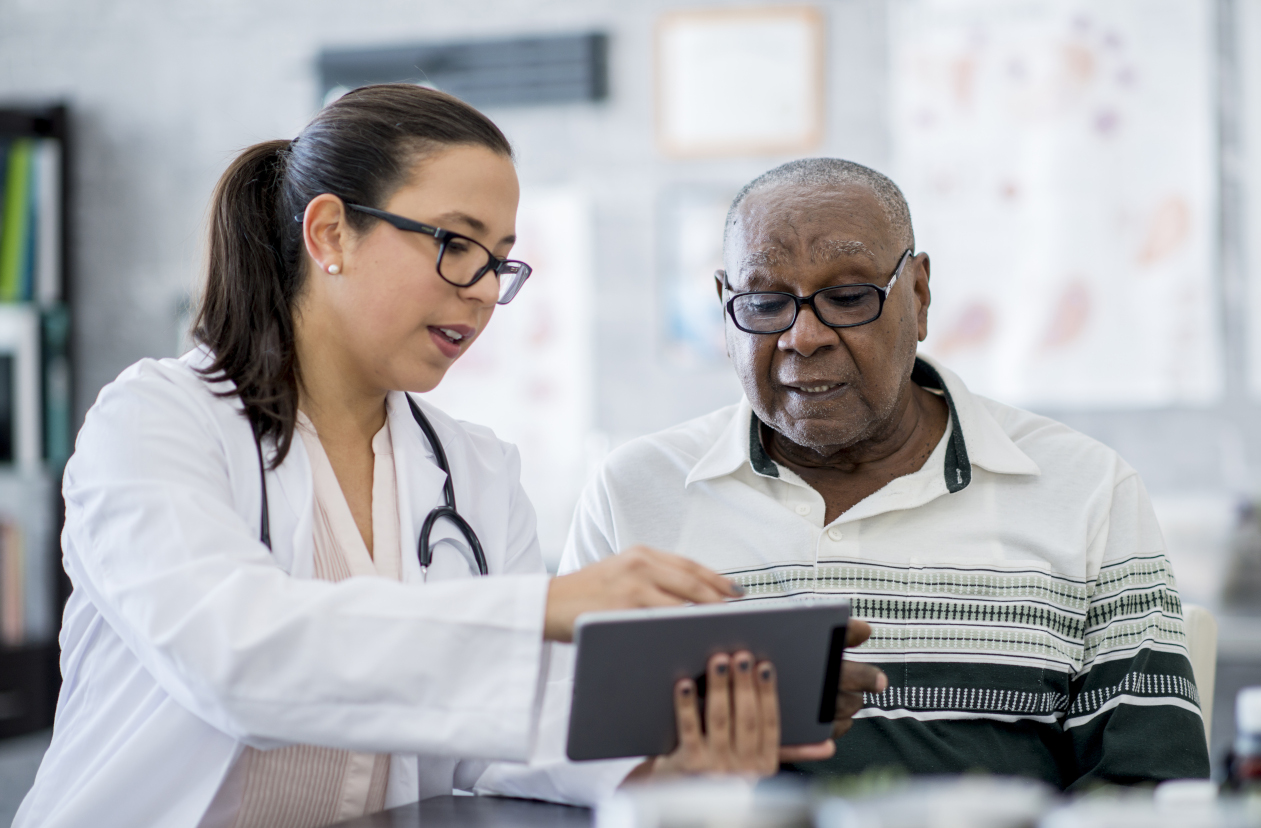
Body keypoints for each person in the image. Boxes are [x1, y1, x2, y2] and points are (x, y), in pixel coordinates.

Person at [14, 87, 856, 828]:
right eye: (456, 243)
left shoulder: (475, 470)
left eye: (499, 260)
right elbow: (236, 659)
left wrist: (666, 747)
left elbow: (495, 740)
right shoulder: (158, 420)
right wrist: (541, 611)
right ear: (331, 231)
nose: (485, 289)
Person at [550, 158, 1211, 790]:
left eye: (846, 296)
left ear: (918, 295)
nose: (803, 336)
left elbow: (1148, 786)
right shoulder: (634, 494)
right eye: (764, 302)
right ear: (725, 310)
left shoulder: (1085, 489)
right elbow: (556, 761)